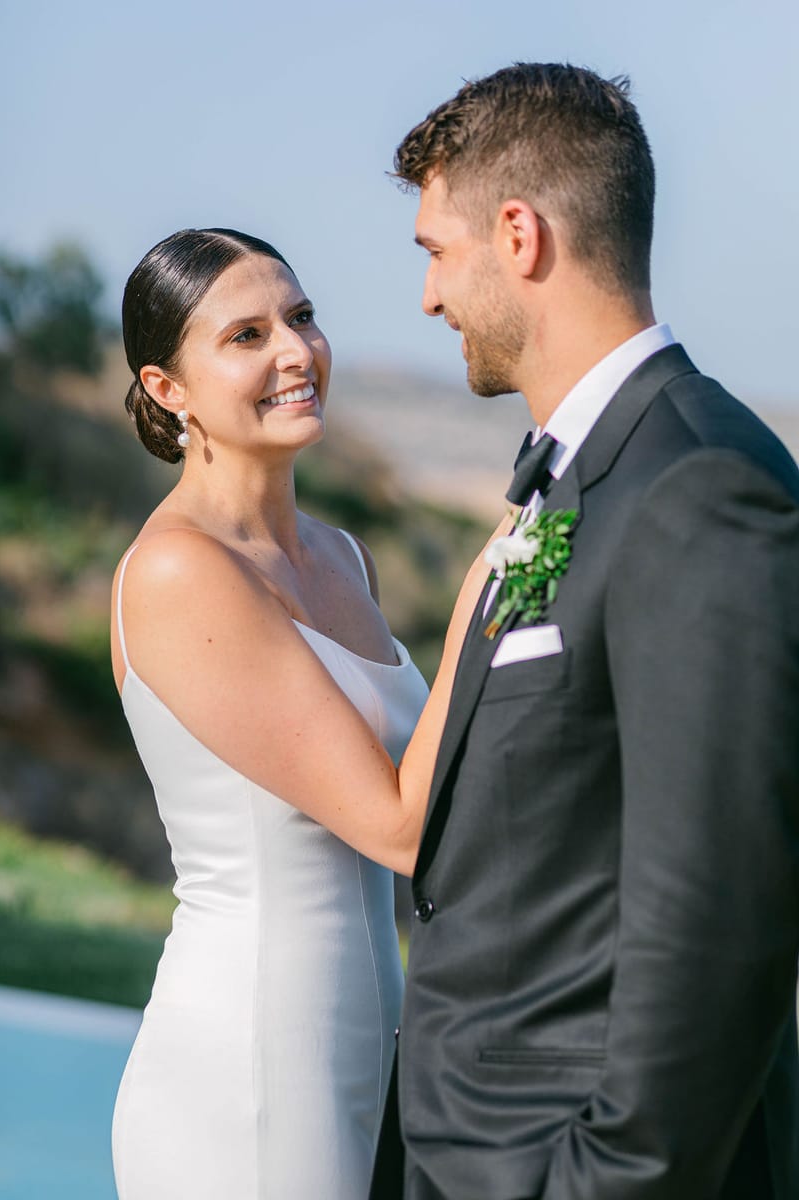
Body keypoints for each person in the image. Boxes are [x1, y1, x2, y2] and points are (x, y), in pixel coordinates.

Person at [370, 63, 799, 1200]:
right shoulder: (572, 483)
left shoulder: (695, 484)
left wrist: (601, 1182)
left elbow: (720, 911)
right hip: (467, 1150)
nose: (428, 299)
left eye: (435, 252)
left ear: (517, 235)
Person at [109, 227, 487, 1199]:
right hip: (251, 1068)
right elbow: (398, 826)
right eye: (246, 335)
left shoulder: (344, 557)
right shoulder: (178, 572)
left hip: (367, 1049)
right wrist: (486, 597)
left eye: (302, 317)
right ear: (167, 388)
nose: (295, 351)